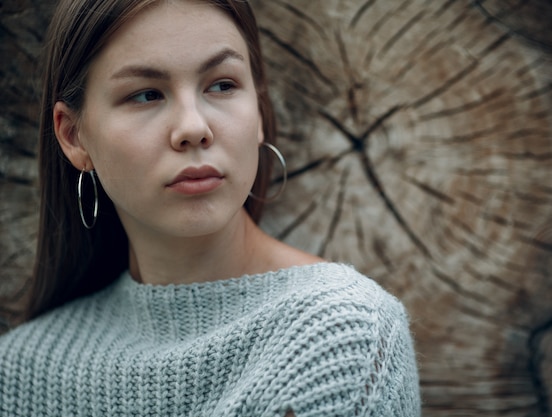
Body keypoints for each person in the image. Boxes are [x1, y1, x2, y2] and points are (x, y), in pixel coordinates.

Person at [0, 0, 421, 415]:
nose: (193, 128)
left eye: (222, 85)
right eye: (146, 94)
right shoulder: (18, 371)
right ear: (73, 136)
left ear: (259, 111)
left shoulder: (341, 334)